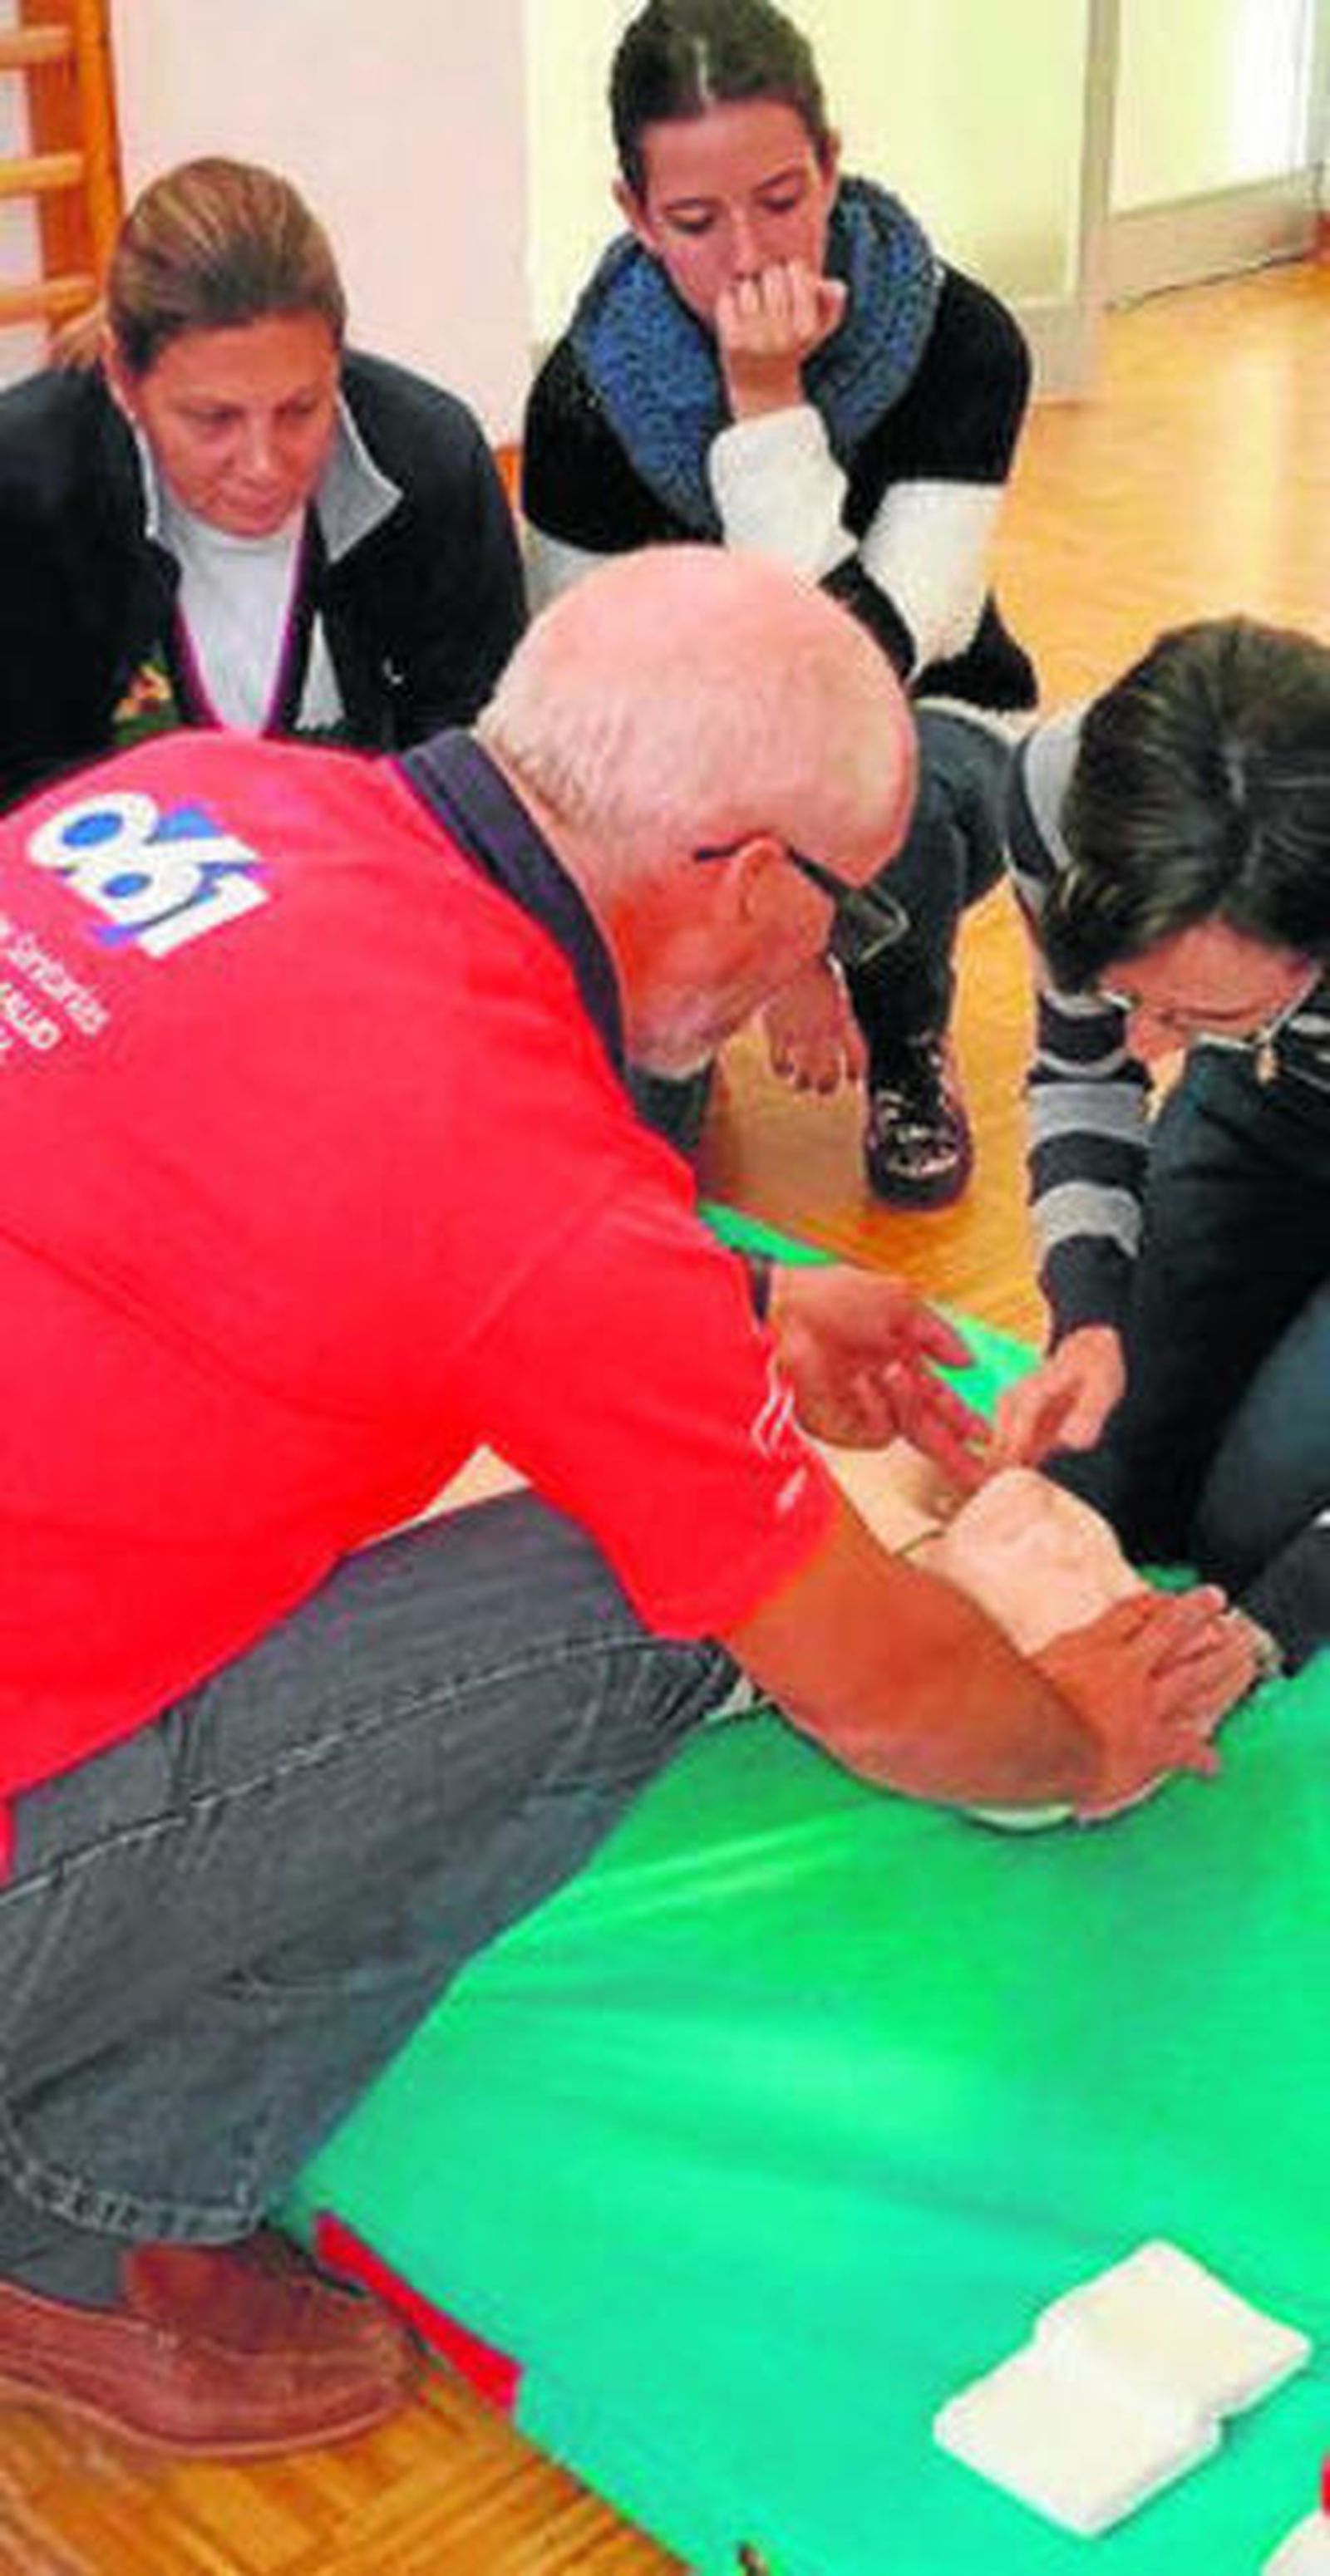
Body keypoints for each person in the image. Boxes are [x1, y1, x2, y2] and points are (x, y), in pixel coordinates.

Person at [0, 547, 1252, 2460]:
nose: (814, 969)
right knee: (630, 1592)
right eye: (836, 914)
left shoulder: (197, 792)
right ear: (752, 873)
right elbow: (879, 1685)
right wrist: (1079, 1733)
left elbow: (302, 1170)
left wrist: (733, 1298)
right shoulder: (536, 1198)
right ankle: (69, 2226)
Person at [521, 0, 1035, 1200]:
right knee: (632, 1160)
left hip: (925, 725)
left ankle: (908, 1042)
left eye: (783, 199)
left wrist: (766, 409)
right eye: (697, 221)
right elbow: (594, 716)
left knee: (894, 796)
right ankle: (690, 1021)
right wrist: (767, 961)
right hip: (679, 778)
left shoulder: (963, 342)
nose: (752, 256)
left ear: (833, 167)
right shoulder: (584, 399)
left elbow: (855, 673)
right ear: (636, 216)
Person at [994, 615, 1330, 1671]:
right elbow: (1084, 1075)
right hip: (1272, 1103)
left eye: (1192, 1017)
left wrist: (1283, 1613)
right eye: (1130, 995)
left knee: (1256, 1536)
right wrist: (1086, 1311)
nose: (1144, 1044)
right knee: (1094, 1483)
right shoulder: (1070, 792)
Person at [0, 156, 525, 809]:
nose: (263, 465)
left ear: (339, 358)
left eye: (301, 410)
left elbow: (483, 770)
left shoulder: (429, 462)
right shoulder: (24, 496)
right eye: (213, 420)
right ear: (121, 378)